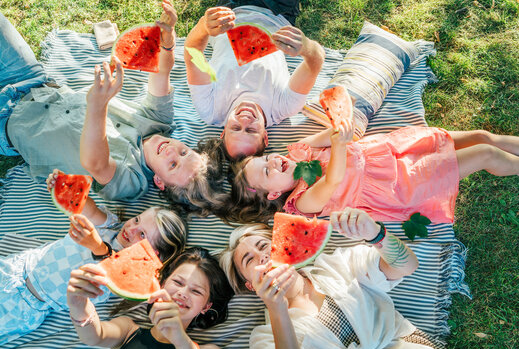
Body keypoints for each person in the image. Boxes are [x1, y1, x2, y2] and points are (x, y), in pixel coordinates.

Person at [0, 3, 226, 211]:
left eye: (173, 164)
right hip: (35, 81)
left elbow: (95, 164)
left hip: (8, 124)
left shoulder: (131, 182)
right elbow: (162, 72)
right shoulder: (159, 122)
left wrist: (97, 105)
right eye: (184, 151)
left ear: (160, 181)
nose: (171, 150)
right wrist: (167, 41)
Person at [218, 208, 476, 349]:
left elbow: (407, 265)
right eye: (249, 259)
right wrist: (277, 310)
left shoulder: (336, 265)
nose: (262, 255)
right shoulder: (264, 337)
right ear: (251, 285)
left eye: (264, 246)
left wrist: (375, 233)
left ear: (283, 246)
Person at [227, 109, 519, 223]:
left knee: (482, 137)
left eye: (266, 159)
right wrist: (339, 142)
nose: (274, 162)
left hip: (394, 150)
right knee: (484, 154)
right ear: (273, 195)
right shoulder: (301, 202)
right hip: (400, 185)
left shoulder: (301, 150)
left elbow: (342, 132)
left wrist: (340, 122)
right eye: (268, 172)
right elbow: (332, 180)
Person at [0, 169, 187, 345]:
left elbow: (106, 266)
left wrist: (96, 246)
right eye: (136, 219)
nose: (131, 229)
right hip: (18, 267)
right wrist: (65, 187)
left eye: (143, 235)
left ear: (153, 254)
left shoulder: (123, 279)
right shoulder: (110, 225)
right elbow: (87, 208)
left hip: (28, 306)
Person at [184, 3, 325, 160]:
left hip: (229, 10)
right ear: (265, 137)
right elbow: (316, 61)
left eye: (236, 128)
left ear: (223, 131)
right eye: (251, 130)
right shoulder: (284, 107)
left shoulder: (210, 109)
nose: (245, 120)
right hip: (276, 12)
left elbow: (192, 51)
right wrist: (307, 47)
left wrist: (204, 26)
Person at [67, 247, 234, 349]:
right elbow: (95, 336)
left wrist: (178, 336)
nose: (183, 293)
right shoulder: (128, 330)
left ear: (206, 307)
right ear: (161, 285)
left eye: (196, 291)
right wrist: (78, 305)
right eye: (177, 282)